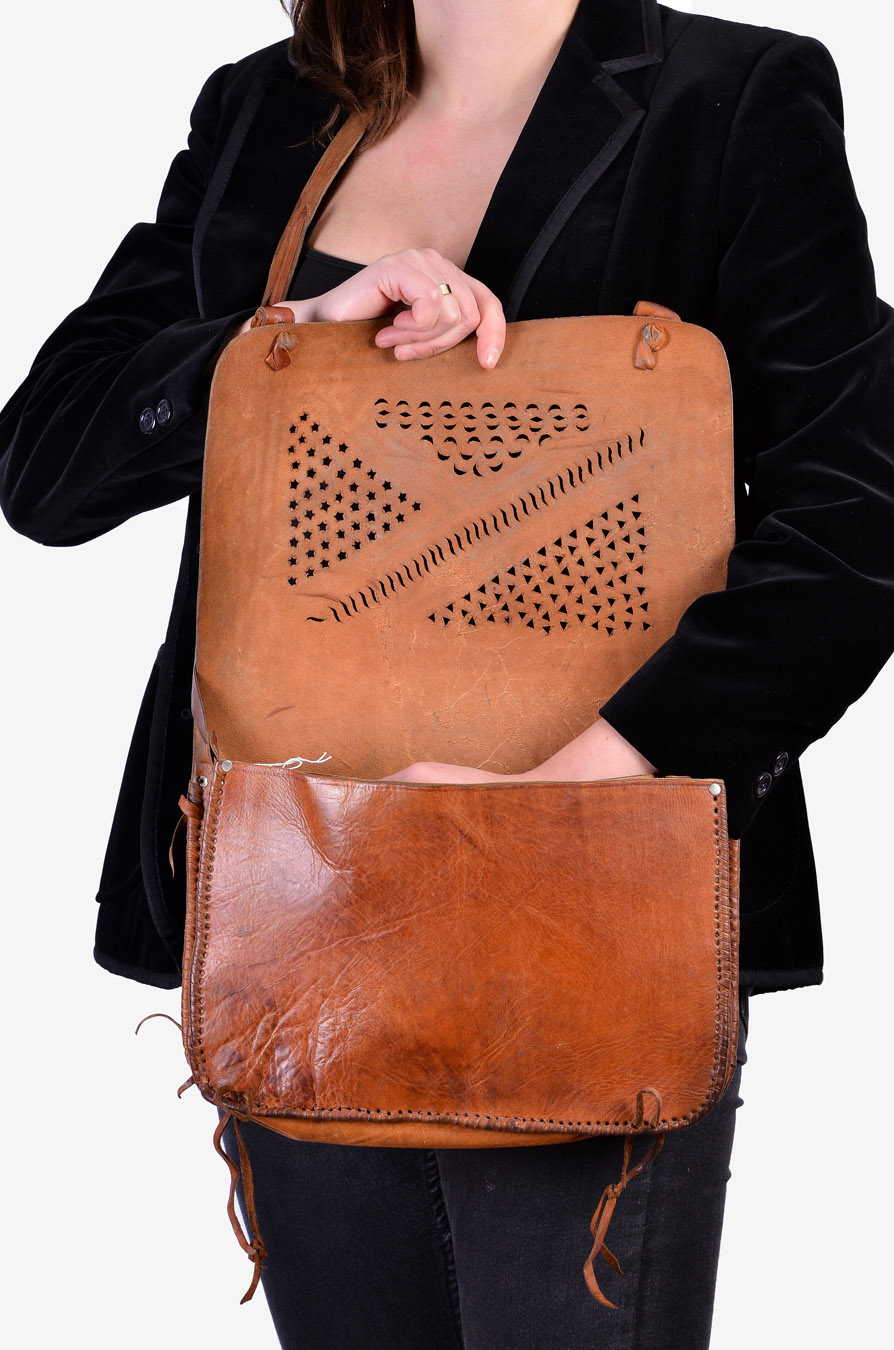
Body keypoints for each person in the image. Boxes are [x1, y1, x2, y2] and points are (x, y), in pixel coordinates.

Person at [1, 0, 892, 1345]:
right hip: (304, 902)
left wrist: (574, 793)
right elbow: (45, 468)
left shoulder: (733, 95)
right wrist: (283, 338)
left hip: (591, 904)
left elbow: (856, 522)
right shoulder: (266, 108)